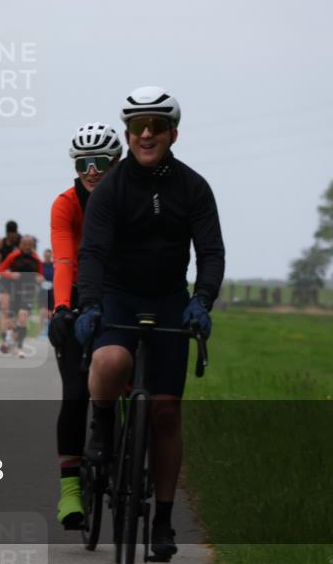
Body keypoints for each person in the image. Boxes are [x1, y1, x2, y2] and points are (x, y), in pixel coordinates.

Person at [75, 87, 225, 557]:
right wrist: (91, 304)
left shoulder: (193, 188)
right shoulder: (112, 189)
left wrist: (202, 301)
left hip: (169, 302)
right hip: (118, 298)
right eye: (137, 126)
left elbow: (211, 251)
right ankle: (101, 425)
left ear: (172, 133)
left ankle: (162, 520)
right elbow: (93, 252)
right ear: (127, 133)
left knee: (165, 411)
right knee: (110, 361)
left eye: (156, 126)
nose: (145, 134)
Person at [47, 122, 123, 529]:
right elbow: (63, 259)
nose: (91, 170)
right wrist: (61, 307)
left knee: (124, 378)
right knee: (76, 393)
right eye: (82, 163)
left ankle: (125, 445)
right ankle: (71, 491)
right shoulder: (65, 203)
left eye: (100, 163)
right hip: (75, 295)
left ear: (117, 162)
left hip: (121, 295)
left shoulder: (131, 198)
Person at [0, 234, 44, 358]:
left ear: (33, 246)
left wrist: (39, 278)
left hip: (29, 292)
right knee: (12, 319)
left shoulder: (36, 259)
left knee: (23, 317)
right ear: (20, 245)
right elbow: (1, 270)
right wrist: (11, 275)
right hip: (14, 291)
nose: (27, 247)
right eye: (25, 244)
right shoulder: (13, 256)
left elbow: (41, 274)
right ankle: (9, 335)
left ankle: (20, 348)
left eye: (30, 245)